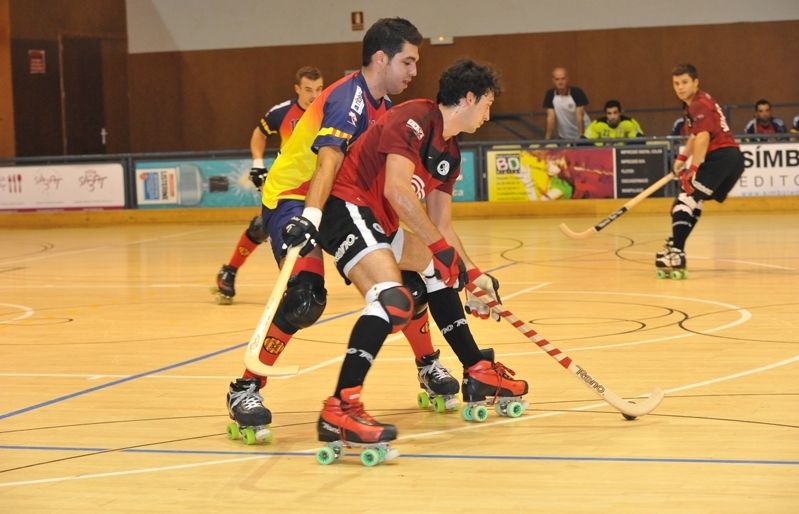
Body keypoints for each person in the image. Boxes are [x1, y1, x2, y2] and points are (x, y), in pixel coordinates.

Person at [225, 18, 461, 442]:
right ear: (380, 58)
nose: (413, 72)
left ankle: (427, 365)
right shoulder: (349, 97)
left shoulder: (386, 109)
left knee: (407, 286)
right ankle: (246, 389)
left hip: (346, 200)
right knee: (305, 299)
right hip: (296, 199)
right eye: (407, 62)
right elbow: (328, 159)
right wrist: (310, 218)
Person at [282, 59, 529, 447]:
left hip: (380, 223)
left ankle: (478, 370)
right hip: (347, 207)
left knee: (437, 268)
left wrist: (473, 274)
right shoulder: (414, 118)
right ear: (468, 98)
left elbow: (442, 226)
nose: (488, 114)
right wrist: (441, 250)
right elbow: (396, 192)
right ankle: (340, 409)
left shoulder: (450, 150)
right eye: (486, 104)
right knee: (393, 298)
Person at [214, 66, 324, 304]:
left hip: (321, 182)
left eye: (318, 89)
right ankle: (229, 271)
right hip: (288, 185)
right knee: (261, 225)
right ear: (297, 89)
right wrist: (257, 163)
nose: (313, 95)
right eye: (307, 90)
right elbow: (259, 133)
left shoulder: (329, 111)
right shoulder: (282, 112)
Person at [656, 63, 745, 279]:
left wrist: (693, 169)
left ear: (696, 82)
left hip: (721, 158)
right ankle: (676, 246)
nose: (680, 87)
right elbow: (695, 136)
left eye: (685, 82)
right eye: (676, 83)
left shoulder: (698, 104)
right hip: (733, 160)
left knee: (685, 198)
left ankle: (676, 252)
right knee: (689, 201)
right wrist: (681, 158)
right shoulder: (698, 103)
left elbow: (704, 137)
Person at [543, 67, 590, 140]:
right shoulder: (550, 94)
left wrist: (581, 136)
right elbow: (550, 118)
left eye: (563, 79)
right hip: (565, 135)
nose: (560, 82)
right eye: (557, 79)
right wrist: (547, 139)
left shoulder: (577, 92)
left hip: (585, 132)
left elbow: (579, 116)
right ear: (553, 80)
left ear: (567, 79)